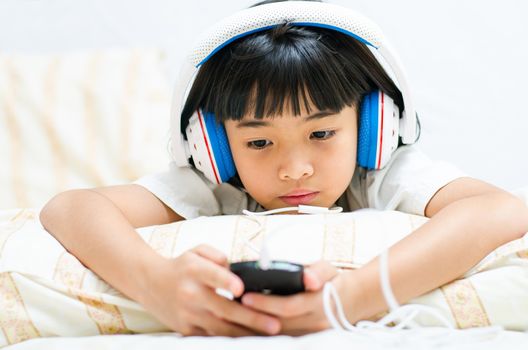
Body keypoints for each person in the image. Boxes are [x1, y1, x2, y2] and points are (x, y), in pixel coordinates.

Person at [40, 0, 528, 337]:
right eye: (258, 141)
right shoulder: (215, 187)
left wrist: (352, 296)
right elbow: (72, 207)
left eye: (320, 134)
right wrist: (155, 283)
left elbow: (501, 209)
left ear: (372, 127)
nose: (295, 170)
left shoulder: (383, 176)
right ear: (212, 145)